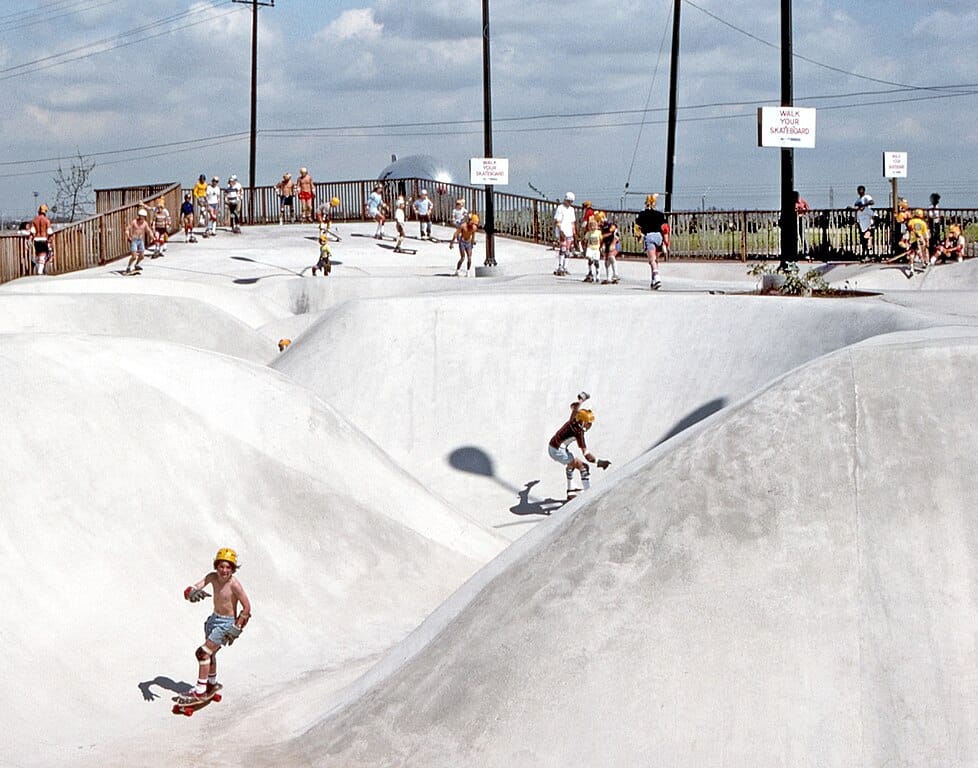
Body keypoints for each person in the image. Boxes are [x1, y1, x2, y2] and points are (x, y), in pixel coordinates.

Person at [179, 547, 252, 701]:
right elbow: (197, 586)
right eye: (221, 566)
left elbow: (247, 607)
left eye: (228, 567)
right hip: (213, 620)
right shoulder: (212, 577)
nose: (224, 570)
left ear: (233, 569)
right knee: (210, 654)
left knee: (203, 653)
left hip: (226, 623)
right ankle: (211, 683)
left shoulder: (234, 585)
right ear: (216, 566)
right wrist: (190, 592)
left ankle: (199, 691)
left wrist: (237, 627)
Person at [547, 392, 606, 501]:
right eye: (588, 423)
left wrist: (581, 400)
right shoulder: (578, 432)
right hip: (558, 451)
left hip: (552, 446)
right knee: (583, 466)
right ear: (583, 423)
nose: (590, 425)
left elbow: (574, 408)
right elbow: (587, 456)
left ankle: (570, 491)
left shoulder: (573, 421)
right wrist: (599, 462)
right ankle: (589, 495)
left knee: (572, 463)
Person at [635, 194, 666, 290]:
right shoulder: (660, 215)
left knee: (652, 260)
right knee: (656, 259)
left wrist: (639, 237)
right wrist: (665, 241)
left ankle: (657, 277)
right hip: (659, 237)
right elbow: (664, 228)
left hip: (649, 236)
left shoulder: (642, 214)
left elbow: (637, 228)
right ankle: (653, 280)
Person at [553, 192, 577, 276]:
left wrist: (574, 232)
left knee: (568, 249)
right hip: (562, 231)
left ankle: (565, 266)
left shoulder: (571, 209)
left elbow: (572, 222)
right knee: (562, 248)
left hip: (569, 231)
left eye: (571, 201)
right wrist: (560, 230)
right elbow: (557, 221)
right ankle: (560, 266)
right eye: (569, 201)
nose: (570, 203)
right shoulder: (560, 208)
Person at [124, 208, 153, 274]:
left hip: (140, 240)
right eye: (141, 217)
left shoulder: (145, 223)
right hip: (134, 240)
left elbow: (148, 230)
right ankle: (128, 267)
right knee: (134, 256)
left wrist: (152, 237)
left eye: (143, 217)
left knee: (142, 256)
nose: (142, 219)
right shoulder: (134, 222)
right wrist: (128, 236)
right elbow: (127, 229)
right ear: (139, 216)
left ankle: (137, 265)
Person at [29, 204, 54, 275]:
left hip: (36, 239)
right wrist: (50, 241)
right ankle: (40, 271)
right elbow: (49, 232)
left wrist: (30, 239)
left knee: (38, 254)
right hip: (43, 239)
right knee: (44, 255)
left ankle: (39, 269)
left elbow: (32, 231)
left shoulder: (34, 220)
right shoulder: (46, 221)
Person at [852, 185, 875, 259]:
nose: (860, 192)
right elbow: (855, 206)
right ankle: (865, 253)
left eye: (861, 190)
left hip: (868, 221)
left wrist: (864, 205)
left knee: (868, 238)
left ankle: (868, 253)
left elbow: (872, 202)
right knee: (863, 239)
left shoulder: (867, 197)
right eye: (859, 190)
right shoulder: (858, 200)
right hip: (862, 223)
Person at [598, 211, 620, 284]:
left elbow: (615, 235)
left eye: (600, 220)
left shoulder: (610, 225)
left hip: (614, 243)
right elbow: (602, 238)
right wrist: (601, 246)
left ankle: (615, 274)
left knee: (611, 257)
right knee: (606, 261)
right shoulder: (601, 227)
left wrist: (613, 244)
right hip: (607, 244)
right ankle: (608, 277)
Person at [582, 216, 601, 282]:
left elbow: (601, 239)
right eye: (591, 226)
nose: (593, 227)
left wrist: (602, 247)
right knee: (589, 258)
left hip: (596, 249)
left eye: (594, 226)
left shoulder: (598, 232)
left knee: (596, 262)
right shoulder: (588, 233)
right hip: (590, 248)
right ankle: (590, 272)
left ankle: (598, 275)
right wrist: (583, 247)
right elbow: (585, 240)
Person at [794, 190, 810, 259]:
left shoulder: (802, 201)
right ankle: (796, 252)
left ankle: (806, 252)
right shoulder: (792, 203)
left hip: (802, 219)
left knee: (802, 235)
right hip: (794, 220)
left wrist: (803, 211)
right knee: (795, 236)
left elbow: (807, 209)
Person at [927, 193, 943, 261]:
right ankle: (931, 254)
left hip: (937, 224)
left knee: (938, 238)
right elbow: (930, 215)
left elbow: (939, 215)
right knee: (932, 239)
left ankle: (938, 254)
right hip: (932, 224)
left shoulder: (937, 207)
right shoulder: (930, 207)